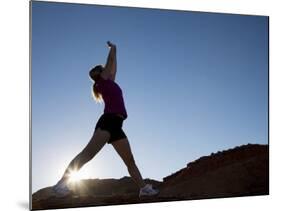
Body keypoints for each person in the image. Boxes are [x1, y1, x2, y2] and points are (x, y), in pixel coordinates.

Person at [53, 41, 159, 198]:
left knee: (130, 161)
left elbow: (113, 64)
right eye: (102, 69)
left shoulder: (109, 82)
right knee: (88, 154)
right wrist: (113, 48)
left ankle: (143, 188)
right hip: (107, 122)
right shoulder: (102, 82)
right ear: (100, 73)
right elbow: (110, 62)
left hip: (117, 125)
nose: (106, 70)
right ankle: (61, 184)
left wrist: (115, 52)